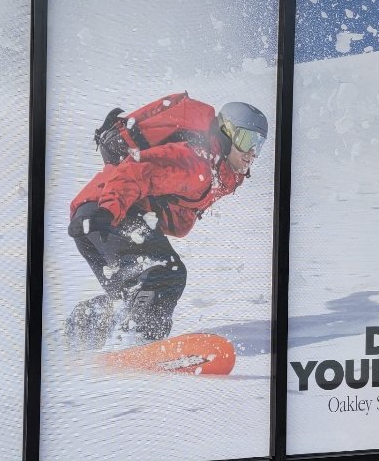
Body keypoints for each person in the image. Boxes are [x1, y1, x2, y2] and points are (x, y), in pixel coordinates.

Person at [65, 99, 268, 351]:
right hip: (107, 213)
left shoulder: (220, 169)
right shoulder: (195, 161)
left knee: (133, 296)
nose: (252, 153)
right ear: (227, 133)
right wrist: (108, 211)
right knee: (165, 274)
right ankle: (136, 342)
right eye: (246, 140)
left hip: (98, 218)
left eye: (259, 144)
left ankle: (81, 331)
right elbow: (138, 170)